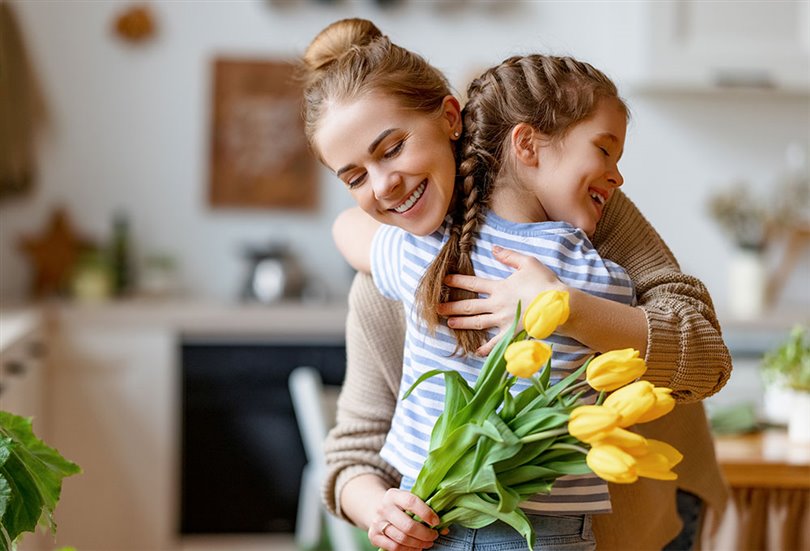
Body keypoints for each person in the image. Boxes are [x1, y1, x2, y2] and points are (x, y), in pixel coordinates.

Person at [302, 18, 730, 551]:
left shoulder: (575, 213)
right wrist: (376, 507)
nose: (384, 185)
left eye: (392, 148)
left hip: (639, 504)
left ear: (450, 120)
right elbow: (353, 454)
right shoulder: (394, 267)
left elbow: (707, 356)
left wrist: (564, 307)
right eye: (355, 177)